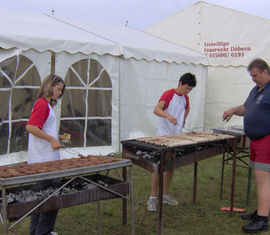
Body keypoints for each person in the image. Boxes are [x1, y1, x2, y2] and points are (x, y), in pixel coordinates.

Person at [223, 58, 270, 233]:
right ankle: (261, 212)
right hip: (255, 139)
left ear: (265, 71)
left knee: (262, 176)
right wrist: (233, 110)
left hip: (267, 138)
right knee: (261, 178)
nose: (253, 79)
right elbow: (246, 107)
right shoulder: (256, 90)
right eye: (251, 76)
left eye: (255, 75)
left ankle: (263, 220)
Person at [147, 73, 197, 212]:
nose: (187, 91)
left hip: (176, 137)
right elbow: (156, 109)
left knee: (170, 167)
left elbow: (187, 108)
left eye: (190, 90)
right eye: (186, 88)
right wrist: (169, 116)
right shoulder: (169, 94)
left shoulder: (185, 97)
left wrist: (184, 119)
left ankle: (165, 195)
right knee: (158, 167)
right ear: (180, 83)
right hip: (163, 136)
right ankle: (152, 198)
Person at [26, 74, 65, 235]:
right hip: (44, 161)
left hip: (43, 159)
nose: (60, 93)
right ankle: (44, 232)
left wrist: (57, 137)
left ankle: (36, 231)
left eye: (62, 90)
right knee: (51, 197)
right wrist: (51, 139)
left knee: (39, 198)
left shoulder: (47, 105)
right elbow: (31, 127)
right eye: (59, 89)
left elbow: (41, 127)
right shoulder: (42, 104)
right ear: (50, 86)